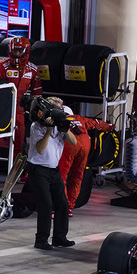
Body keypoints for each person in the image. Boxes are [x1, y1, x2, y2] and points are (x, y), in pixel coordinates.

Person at [26, 97, 77, 250]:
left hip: (54, 170)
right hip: (38, 170)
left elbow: (74, 142)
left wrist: (64, 127)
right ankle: (41, 240)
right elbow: (40, 150)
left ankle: (59, 237)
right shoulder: (36, 127)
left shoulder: (61, 127)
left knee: (62, 204)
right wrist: (48, 129)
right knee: (46, 205)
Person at [0, 36, 42, 172]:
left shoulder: (33, 69)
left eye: (20, 51)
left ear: (26, 51)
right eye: (15, 51)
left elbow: (36, 93)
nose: (17, 54)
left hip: (20, 111)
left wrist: (33, 110)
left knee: (19, 144)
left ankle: (16, 174)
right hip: (2, 110)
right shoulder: (3, 66)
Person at [58, 107, 114, 215]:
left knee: (62, 176)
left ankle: (62, 207)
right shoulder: (81, 118)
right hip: (85, 144)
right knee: (78, 176)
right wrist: (109, 127)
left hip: (70, 143)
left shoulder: (59, 119)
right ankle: (70, 207)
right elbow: (97, 123)